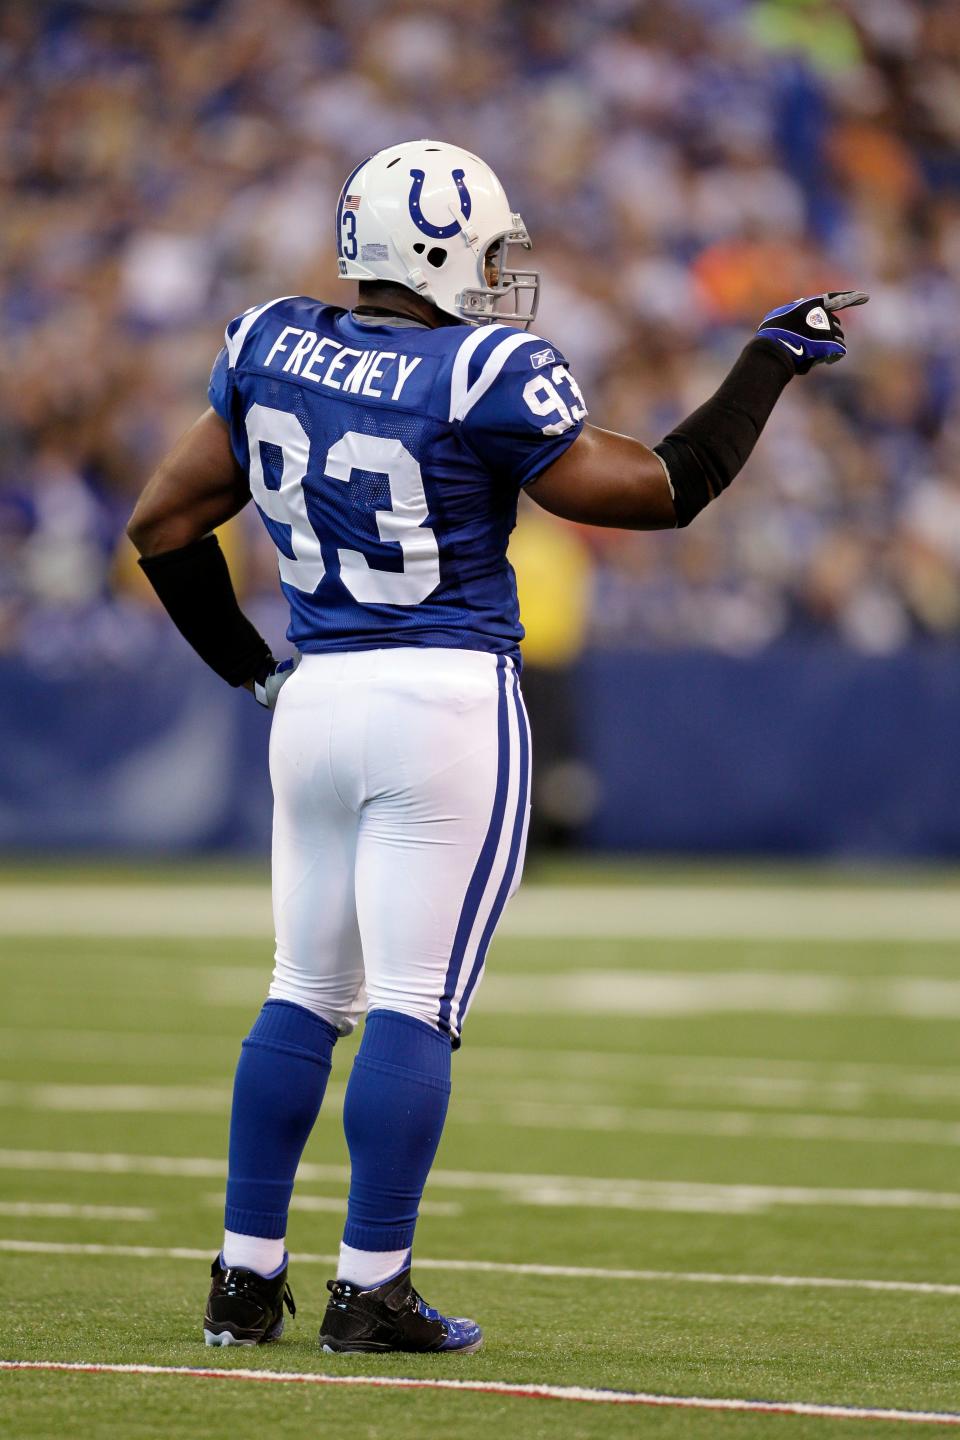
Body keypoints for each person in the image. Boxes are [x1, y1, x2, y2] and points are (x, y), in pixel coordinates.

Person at [127, 138, 866, 1355]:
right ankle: (372, 1289)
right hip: (446, 702)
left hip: (312, 701)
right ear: (433, 247)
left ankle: (243, 1276)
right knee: (414, 1004)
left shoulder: (266, 341)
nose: (502, 266)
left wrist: (254, 673)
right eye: (487, 244)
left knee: (302, 992)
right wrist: (770, 360)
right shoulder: (487, 368)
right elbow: (663, 488)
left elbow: (162, 524)